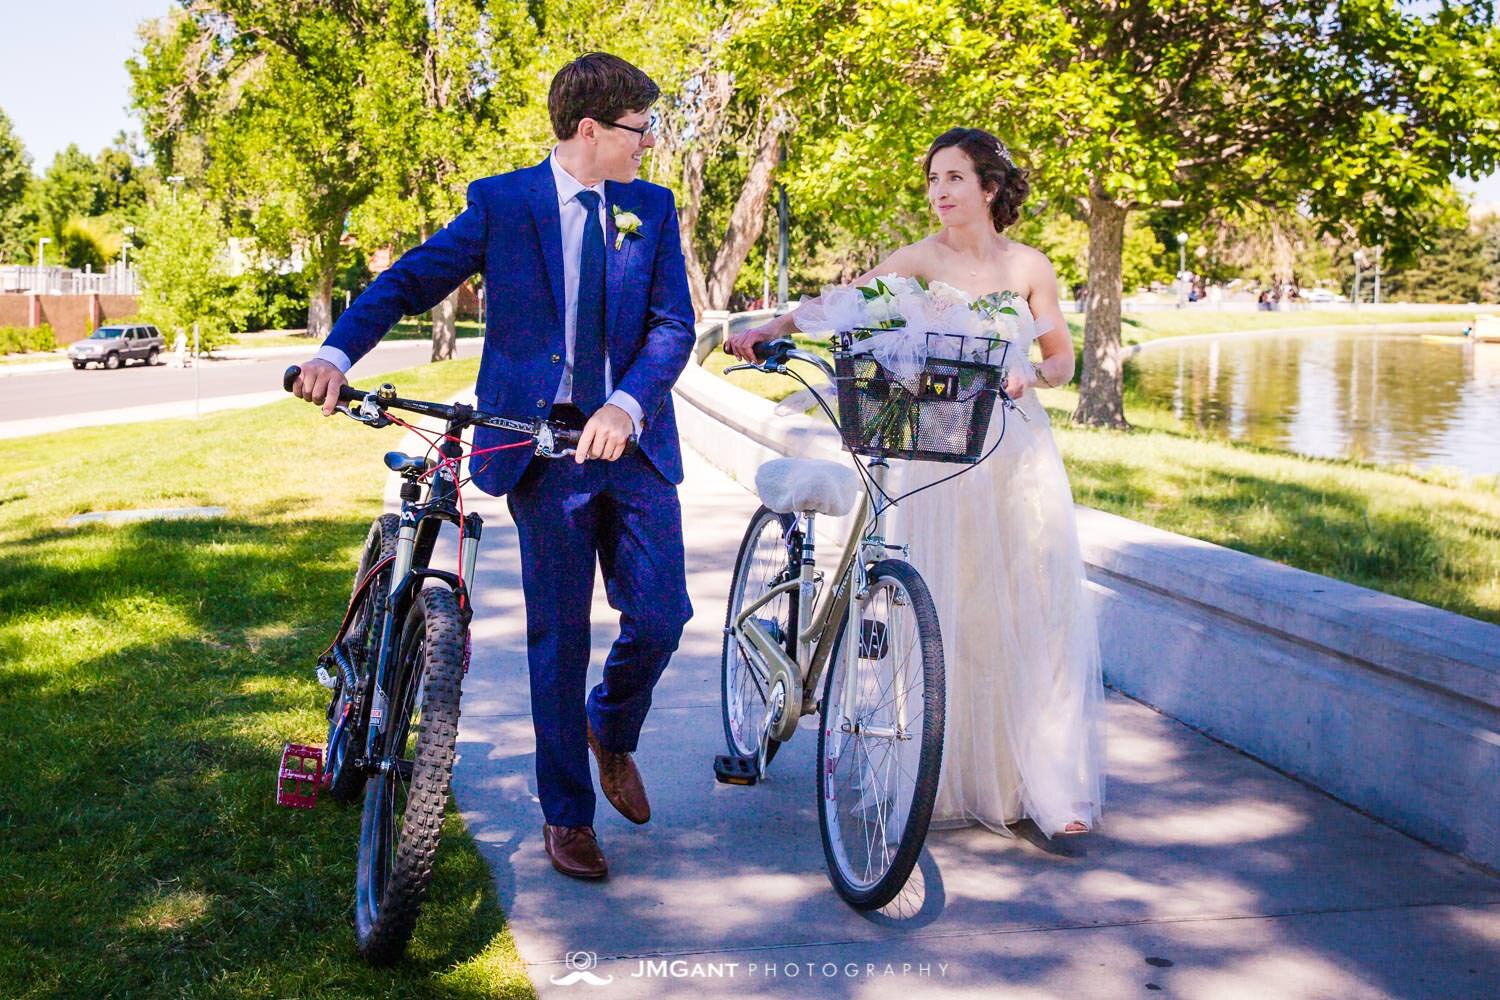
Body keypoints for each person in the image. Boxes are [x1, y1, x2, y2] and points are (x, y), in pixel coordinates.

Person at [290, 52, 697, 880]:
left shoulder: (651, 210)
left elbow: (673, 327)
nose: (649, 142)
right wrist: (336, 352)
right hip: (539, 448)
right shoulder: (504, 202)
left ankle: (610, 730)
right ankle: (568, 816)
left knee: (662, 616)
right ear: (591, 130)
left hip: (634, 445)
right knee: (557, 638)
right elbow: (409, 281)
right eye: (639, 127)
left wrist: (628, 404)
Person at [726, 127, 1105, 838]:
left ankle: (1043, 783)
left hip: (1014, 453)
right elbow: (841, 302)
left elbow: (1063, 361)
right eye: (933, 179)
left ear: (989, 187)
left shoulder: (1029, 266)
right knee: (953, 614)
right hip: (940, 453)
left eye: (955, 177)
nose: (940, 192)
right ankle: (955, 776)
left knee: (1030, 609)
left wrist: (1030, 374)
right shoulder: (917, 259)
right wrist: (768, 326)